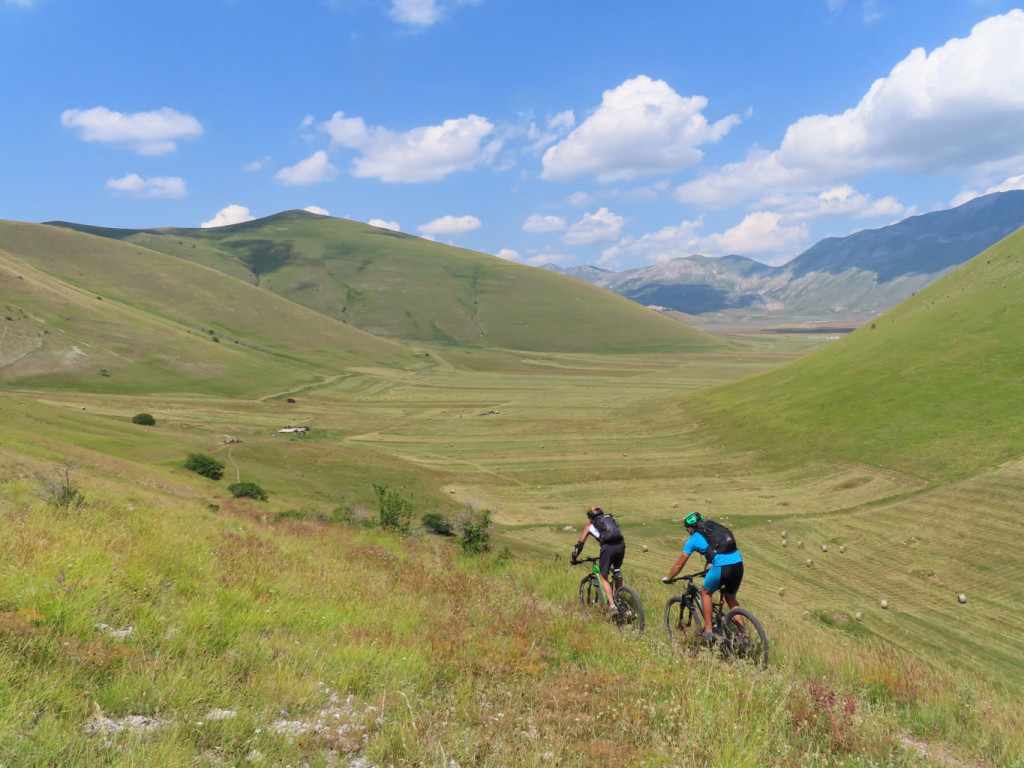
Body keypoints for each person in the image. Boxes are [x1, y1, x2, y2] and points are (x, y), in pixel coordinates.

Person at [662, 511, 743, 642]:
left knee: (705, 592)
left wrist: (669, 578)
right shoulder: (713, 529)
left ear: (689, 528)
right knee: (730, 598)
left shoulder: (693, 539)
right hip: (738, 563)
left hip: (722, 566)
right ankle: (742, 635)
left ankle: (709, 631)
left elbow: (679, 564)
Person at [570, 505, 626, 614]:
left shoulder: (590, 526)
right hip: (621, 545)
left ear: (590, 517)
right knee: (616, 571)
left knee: (603, 576)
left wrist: (573, 558)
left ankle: (613, 607)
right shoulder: (610, 519)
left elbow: (579, 545)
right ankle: (619, 599)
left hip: (608, 548)